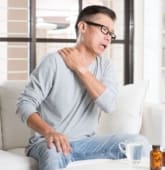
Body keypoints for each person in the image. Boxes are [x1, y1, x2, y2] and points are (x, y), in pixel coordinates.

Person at [16, 5, 148, 170]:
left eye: (111, 34)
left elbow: (109, 104)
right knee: (53, 153)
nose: (108, 38)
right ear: (83, 27)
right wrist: (48, 131)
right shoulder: (53, 62)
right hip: (49, 142)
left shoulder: (105, 66)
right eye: (104, 30)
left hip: (86, 143)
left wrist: (80, 69)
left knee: (139, 142)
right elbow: (24, 104)